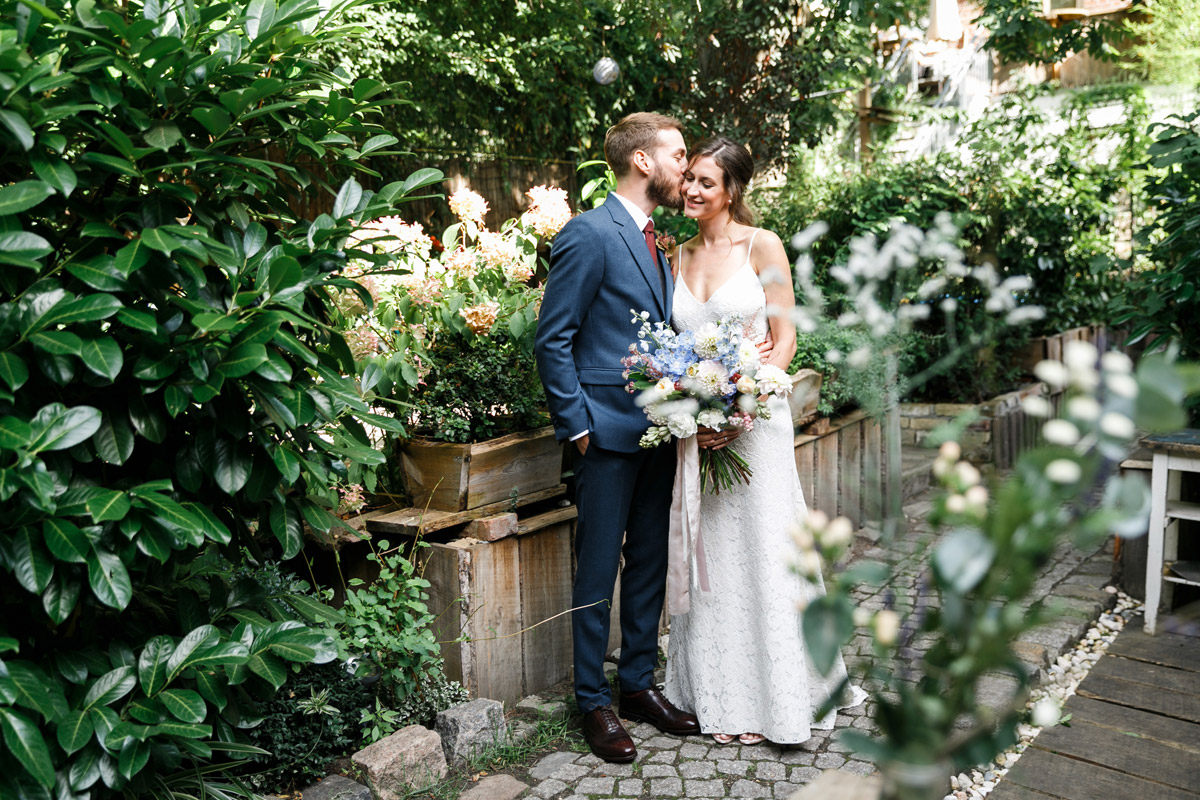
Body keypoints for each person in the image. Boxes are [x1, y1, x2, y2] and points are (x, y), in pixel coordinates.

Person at [662, 136, 866, 746]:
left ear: (733, 190)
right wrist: (692, 407)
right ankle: (720, 695)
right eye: (689, 178)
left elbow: (784, 340)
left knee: (768, 550)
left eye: (707, 182)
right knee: (713, 558)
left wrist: (740, 406)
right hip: (699, 431)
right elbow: (672, 351)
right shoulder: (675, 254)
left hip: (756, 426)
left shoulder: (763, 244)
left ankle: (783, 696)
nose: (693, 190)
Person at [534, 112, 702, 763]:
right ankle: (592, 702)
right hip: (602, 436)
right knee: (597, 573)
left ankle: (636, 686)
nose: (685, 167)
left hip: (658, 433)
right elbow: (554, 338)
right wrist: (577, 428)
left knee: (649, 567)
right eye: (679, 154)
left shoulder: (658, 241)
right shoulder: (588, 233)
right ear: (642, 161)